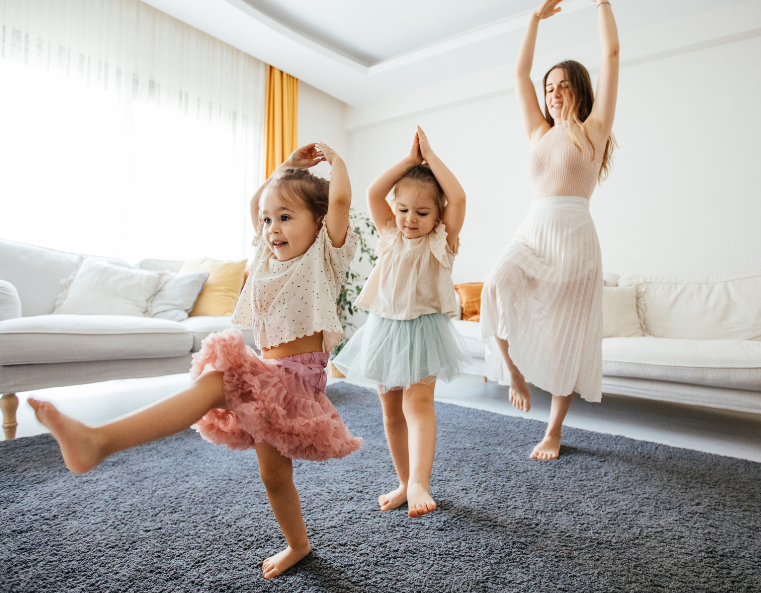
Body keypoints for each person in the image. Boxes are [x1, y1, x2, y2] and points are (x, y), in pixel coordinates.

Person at [28, 141, 363, 579]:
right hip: (272, 379)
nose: (272, 228)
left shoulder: (326, 255)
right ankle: (298, 545)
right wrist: (286, 168)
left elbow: (339, 199)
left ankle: (99, 441)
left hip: (297, 381)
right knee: (273, 476)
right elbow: (255, 205)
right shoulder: (266, 255)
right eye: (268, 220)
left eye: (286, 218)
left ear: (319, 224)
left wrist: (336, 162)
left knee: (218, 381)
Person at [480, 0, 619, 460]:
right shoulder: (539, 131)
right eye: (550, 87)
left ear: (579, 89)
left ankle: (553, 429)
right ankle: (513, 373)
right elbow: (520, 74)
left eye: (563, 86)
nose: (553, 93)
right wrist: (534, 19)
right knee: (496, 282)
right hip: (534, 230)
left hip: (575, 237)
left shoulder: (593, 130)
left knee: (569, 336)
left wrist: (602, 4)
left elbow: (612, 55)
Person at [333, 127, 470, 518]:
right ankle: (404, 480)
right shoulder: (389, 232)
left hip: (423, 332)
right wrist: (409, 162)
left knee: (418, 405)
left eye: (422, 212)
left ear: (438, 216)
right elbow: (375, 192)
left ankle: (420, 482)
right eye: (404, 209)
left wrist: (430, 154)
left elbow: (457, 196)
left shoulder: (442, 239)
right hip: (383, 330)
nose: (410, 219)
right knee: (391, 411)